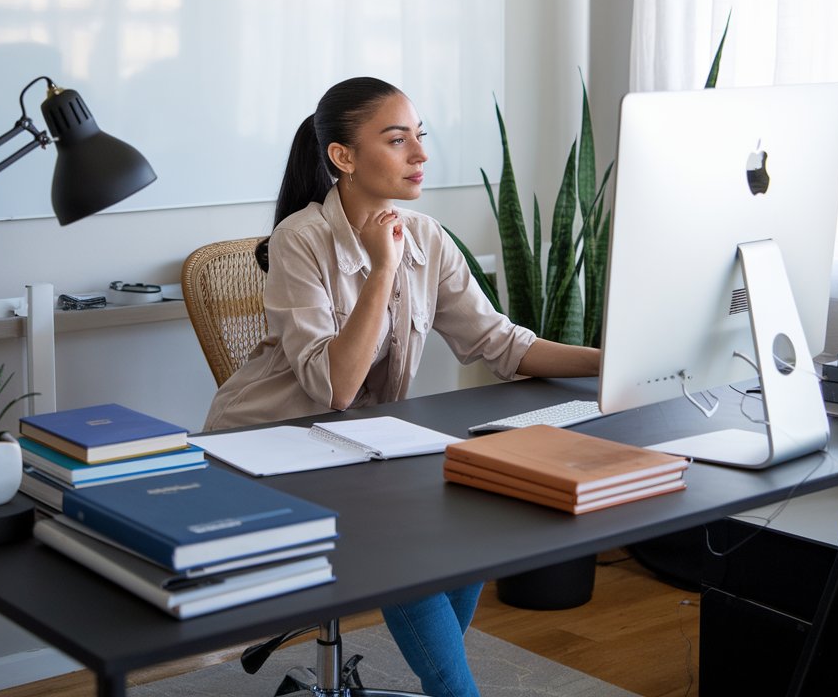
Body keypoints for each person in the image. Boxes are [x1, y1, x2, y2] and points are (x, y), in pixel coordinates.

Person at [204, 76, 599, 697]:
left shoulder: (428, 237)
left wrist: (613, 359)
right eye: (397, 140)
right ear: (344, 156)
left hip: (360, 453)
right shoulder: (300, 240)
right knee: (406, 552)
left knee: (475, 519)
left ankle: (443, 680)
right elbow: (334, 386)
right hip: (265, 450)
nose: (419, 154)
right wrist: (383, 267)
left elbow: (498, 342)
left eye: (421, 137)